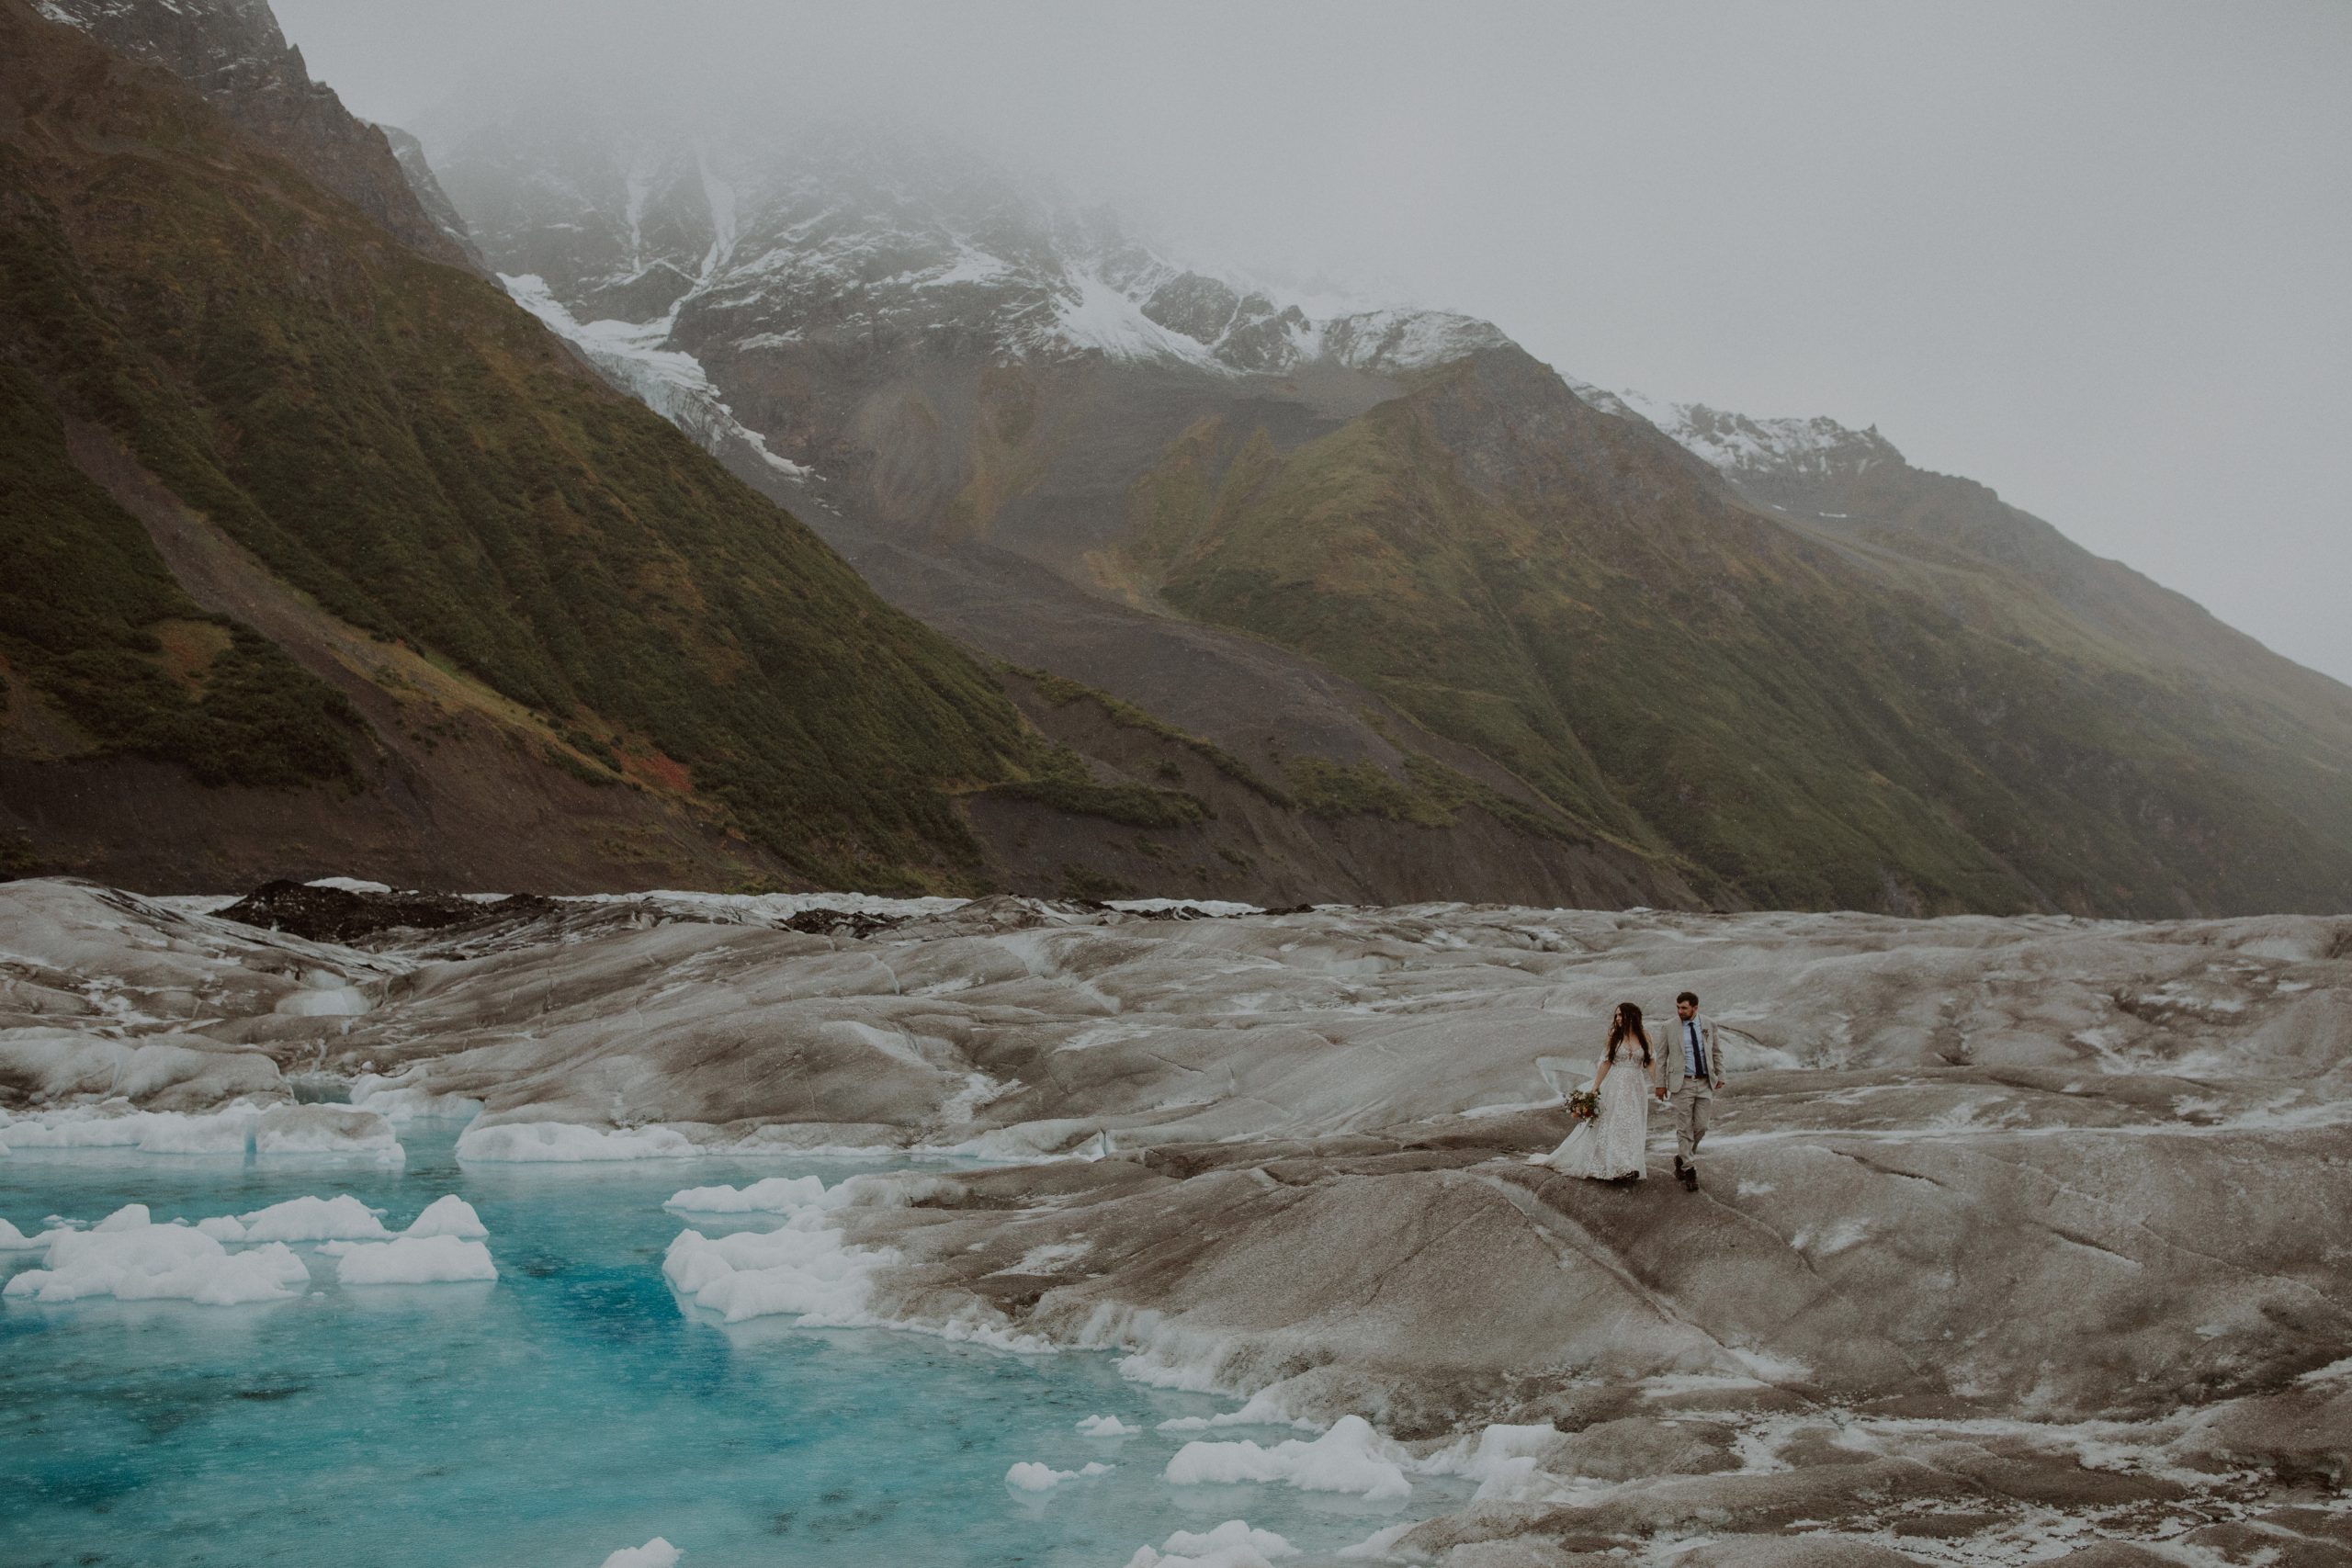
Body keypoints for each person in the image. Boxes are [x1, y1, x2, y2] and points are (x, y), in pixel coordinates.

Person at [1533, 1003, 1657, 1181]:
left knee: (1631, 1123)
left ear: (1632, 1016)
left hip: (1635, 1086)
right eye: (1616, 1016)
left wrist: (1658, 1085)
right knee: (1614, 1122)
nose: (1618, 1019)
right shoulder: (1615, 1036)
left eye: (1621, 1015)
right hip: (1615, 1085)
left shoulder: (1646, 1036)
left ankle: (1628, 1164)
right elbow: (1606, 1063)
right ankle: (1618, 1167)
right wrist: (1595, 1087)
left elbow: (1650, 1062)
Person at [1656, 989, 1725, 1191]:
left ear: (1695, 1008)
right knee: (1684, 1127)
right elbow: (1662, 1058)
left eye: (1684, 1008)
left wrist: (1721, 1075)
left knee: (1701, 1126)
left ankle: (1681, 1156)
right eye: (1678, 1007)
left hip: (1705, 1082)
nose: (1680, 1011)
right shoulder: (1669, 1027)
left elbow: (1716, 1052)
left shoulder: (1709, 1024)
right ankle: (1689, 1170)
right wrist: (1660, 1084)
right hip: (1682, 1083)